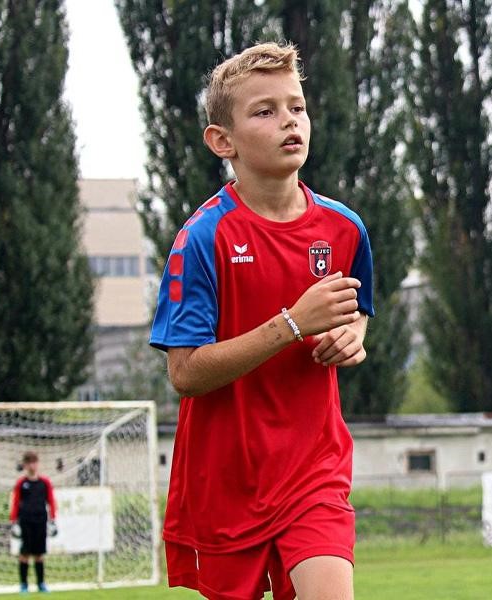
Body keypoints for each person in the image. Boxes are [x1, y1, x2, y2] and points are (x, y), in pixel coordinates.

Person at [150, 41, 374, 600]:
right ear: (222, 141)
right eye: (264, 111)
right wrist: (293, 324)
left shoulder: (345, 229)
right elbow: (185, 373)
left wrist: (350, 337)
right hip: (228, 482)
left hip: (313, 470)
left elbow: (358, 310)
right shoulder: (202, 238)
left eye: (296, 107)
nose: (289, 122)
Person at [10, 451, 57, 593]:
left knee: (39, 554)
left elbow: (51, 501)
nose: (32, 465)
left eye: (34, 462)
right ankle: (24, 585)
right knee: (24, 553)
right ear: (25, 465)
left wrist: (53, 519)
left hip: (41, 521)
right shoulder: (21, 483)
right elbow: (16, 502)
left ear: (38, 464)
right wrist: (14, 522)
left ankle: (41, 584)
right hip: (25, 521)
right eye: (29, 462)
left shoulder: (45, 482)